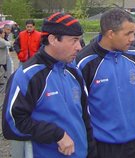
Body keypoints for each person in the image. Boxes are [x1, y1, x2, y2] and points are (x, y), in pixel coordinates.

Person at [2, 12, 96, 158]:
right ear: (52, 39)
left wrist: (91, 152)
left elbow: (85, 118)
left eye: (80, 40)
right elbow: (12, 124)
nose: (79, 47)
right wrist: (56, 134)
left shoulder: (74, 71)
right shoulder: (28, 75)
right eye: (74, 40)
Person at [75, 8, 135, 158]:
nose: (133, 38)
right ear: (110, 34)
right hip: (104, 146)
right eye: (128, 33)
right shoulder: (85, 61)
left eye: (133, 33)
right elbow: (79, 110)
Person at [0, 28, 11, 93]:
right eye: (3, 33)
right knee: (3, 76)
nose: (5, 34)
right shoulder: (1, 41)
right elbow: (8, 43)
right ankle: (2, 90)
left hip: (2, 61)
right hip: (1, 61)